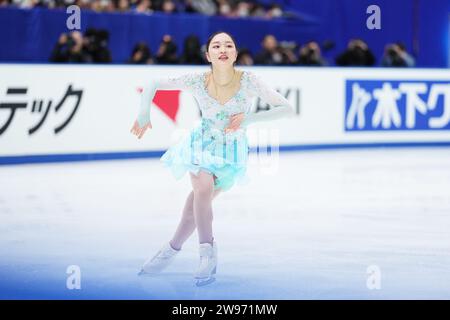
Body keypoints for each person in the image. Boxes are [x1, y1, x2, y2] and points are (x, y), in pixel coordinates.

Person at [130, 31, 295, 286]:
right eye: (216, 45)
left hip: (231, 152)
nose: (223, 49)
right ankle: (207, 252)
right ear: (208, 55)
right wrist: (143, 113)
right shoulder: (197, 80)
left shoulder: (249, 80)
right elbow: (152, 82)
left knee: (194, 207)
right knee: (203, 188)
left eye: (229, 44)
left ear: (235, 54)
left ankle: (170, 249)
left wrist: (249, 119)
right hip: (201, 144)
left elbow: (286, 108)